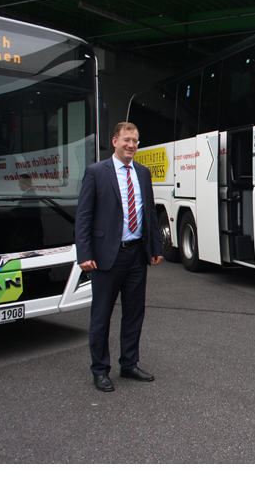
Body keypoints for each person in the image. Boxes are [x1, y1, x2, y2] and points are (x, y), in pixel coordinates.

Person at [76, 122, 164, 392]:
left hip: (137, 254)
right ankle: (100, 370)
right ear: (114, 141)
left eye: (135, 140)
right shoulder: (95, 173)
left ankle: (129, 364)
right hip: (105, 257)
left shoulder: (143, 173)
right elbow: (84, 216)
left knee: (134, 313)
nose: (132, 145)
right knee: (101, 316)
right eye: (127, 140)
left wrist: (157, 247)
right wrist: (85, 253)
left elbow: (148, 212)